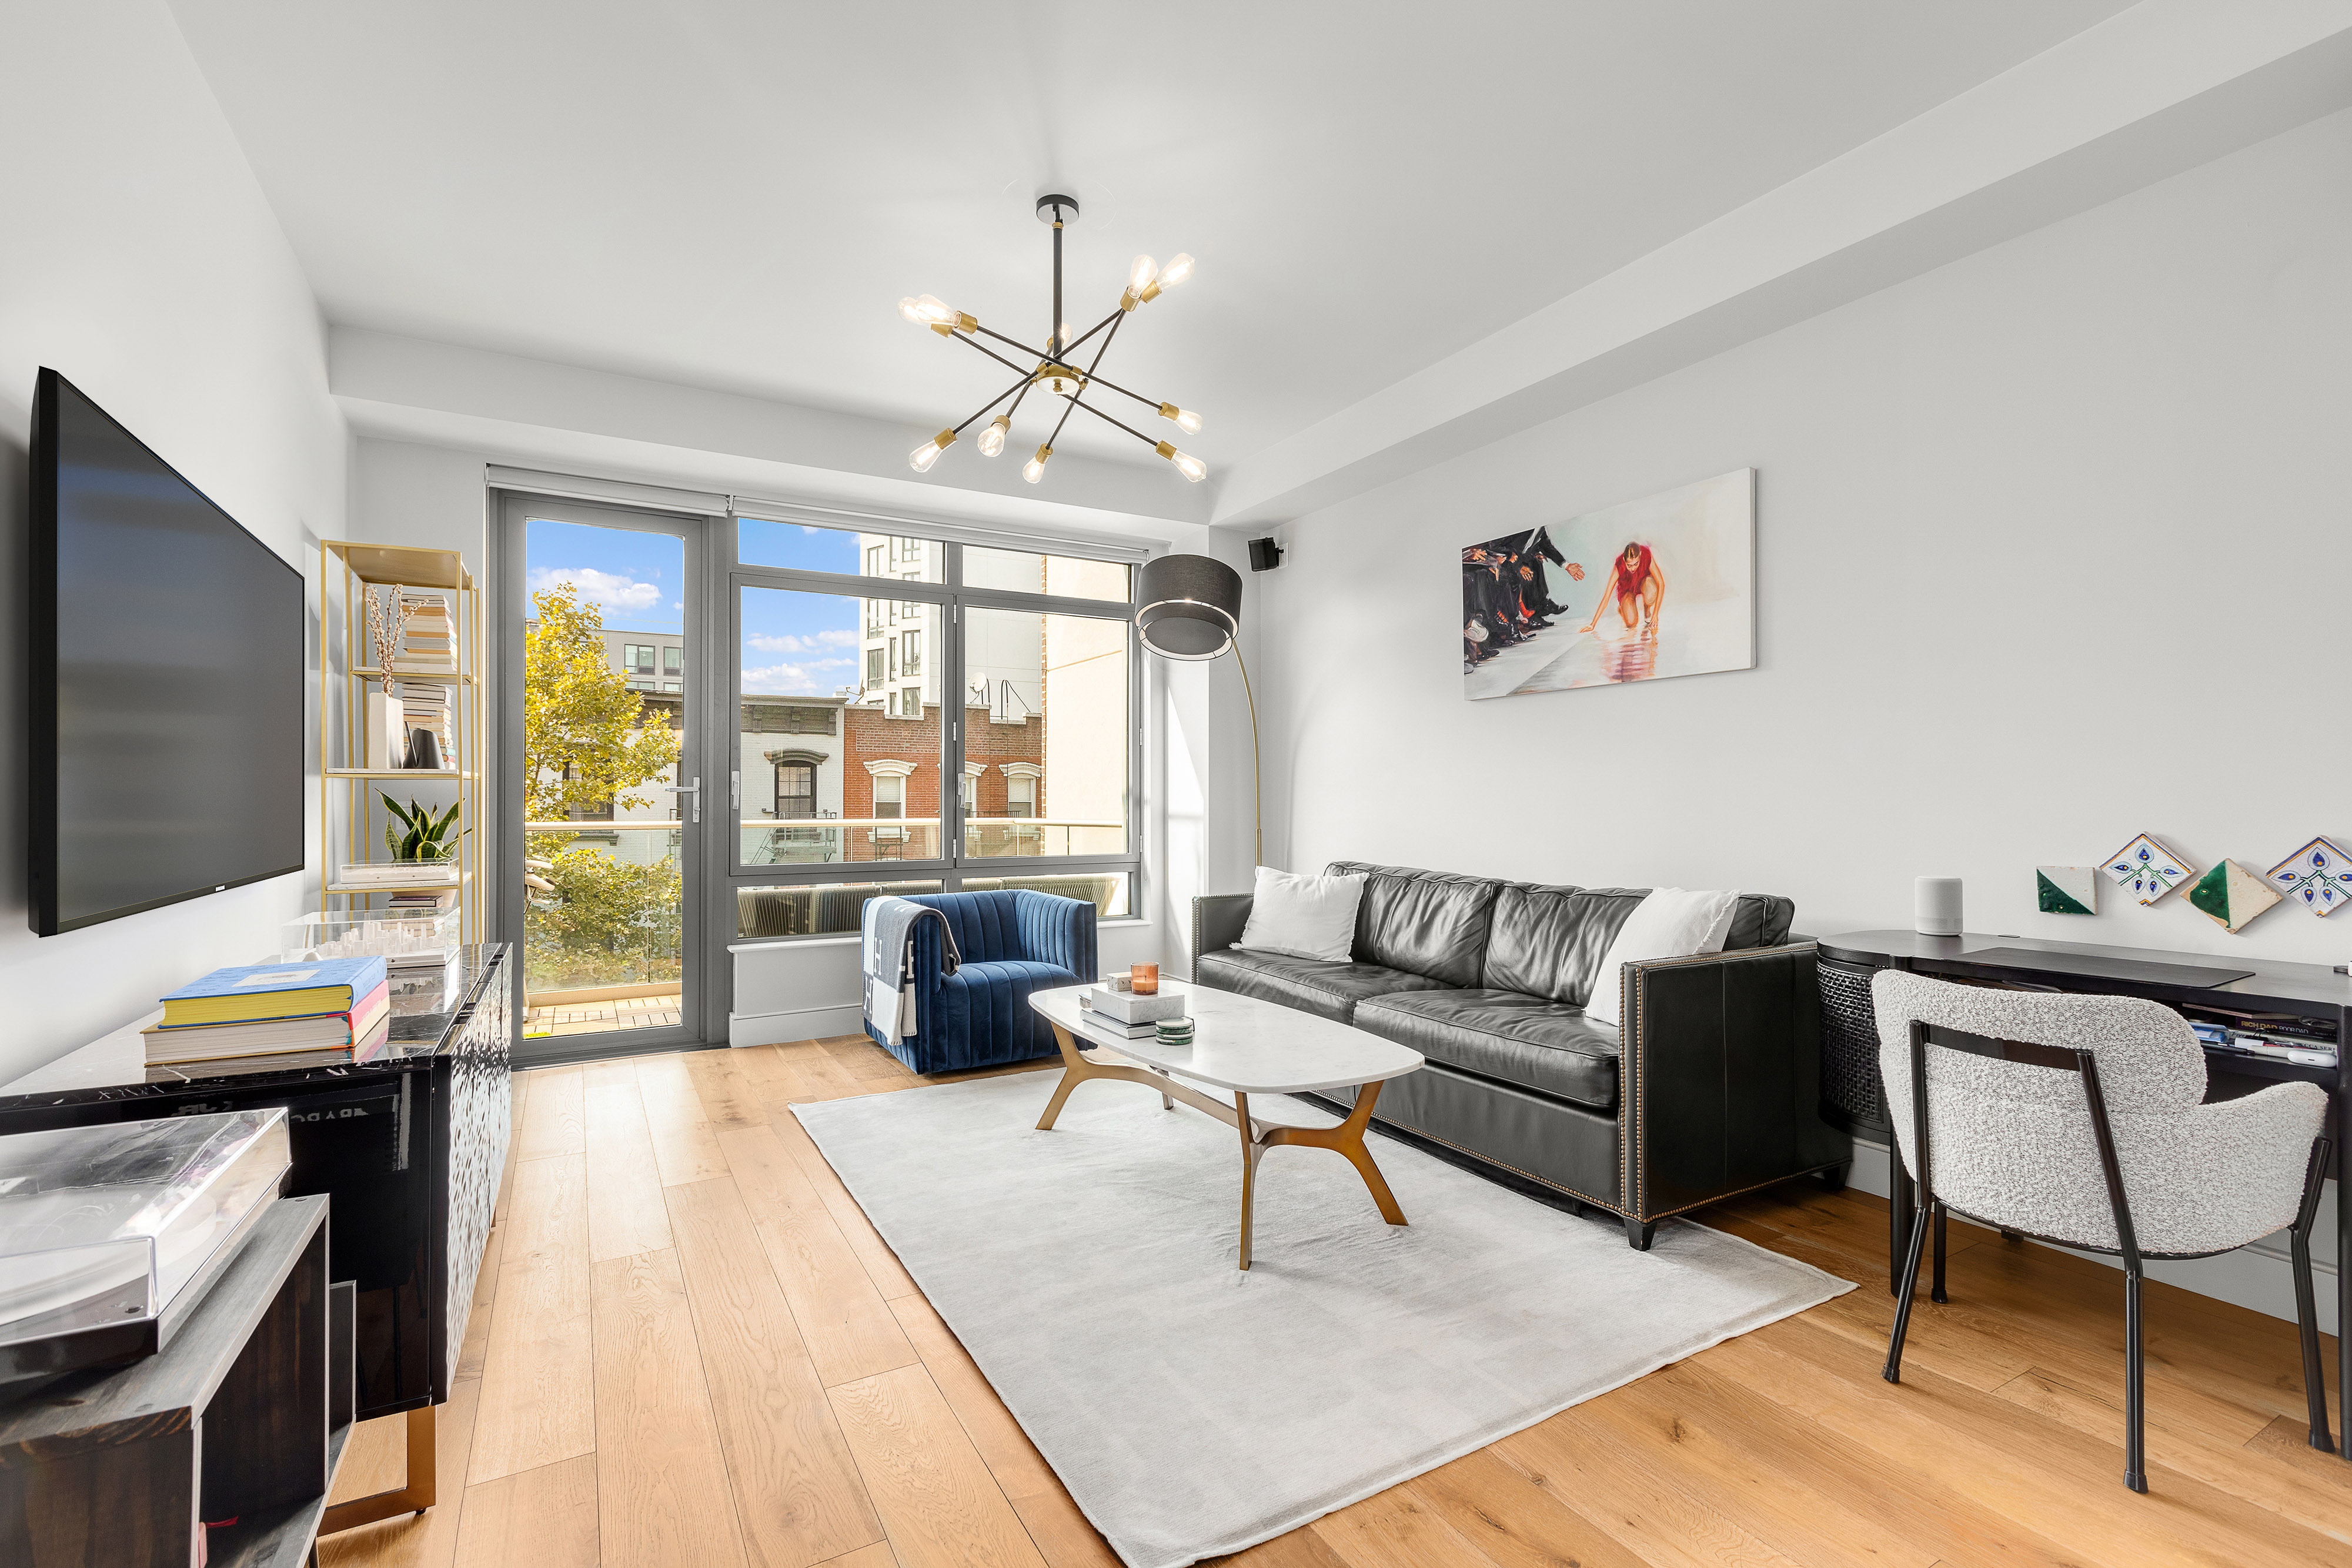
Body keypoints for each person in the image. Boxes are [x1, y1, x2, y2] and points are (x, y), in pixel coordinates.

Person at [1579, 541, 1665, 640]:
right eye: (1629, 565)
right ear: (1624, 560)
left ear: (1640, 556)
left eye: (1636, 564)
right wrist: (1592, 624)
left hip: (1643, 583)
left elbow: (1661, 584)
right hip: (1628, 592)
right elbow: (1606, 597)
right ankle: (1622, 609)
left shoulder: (1646, 554)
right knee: (1632, 623)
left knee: (1651, 588)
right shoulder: (1619, 565)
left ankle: (1647, 608)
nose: (1633, 568)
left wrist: (1655, 614)